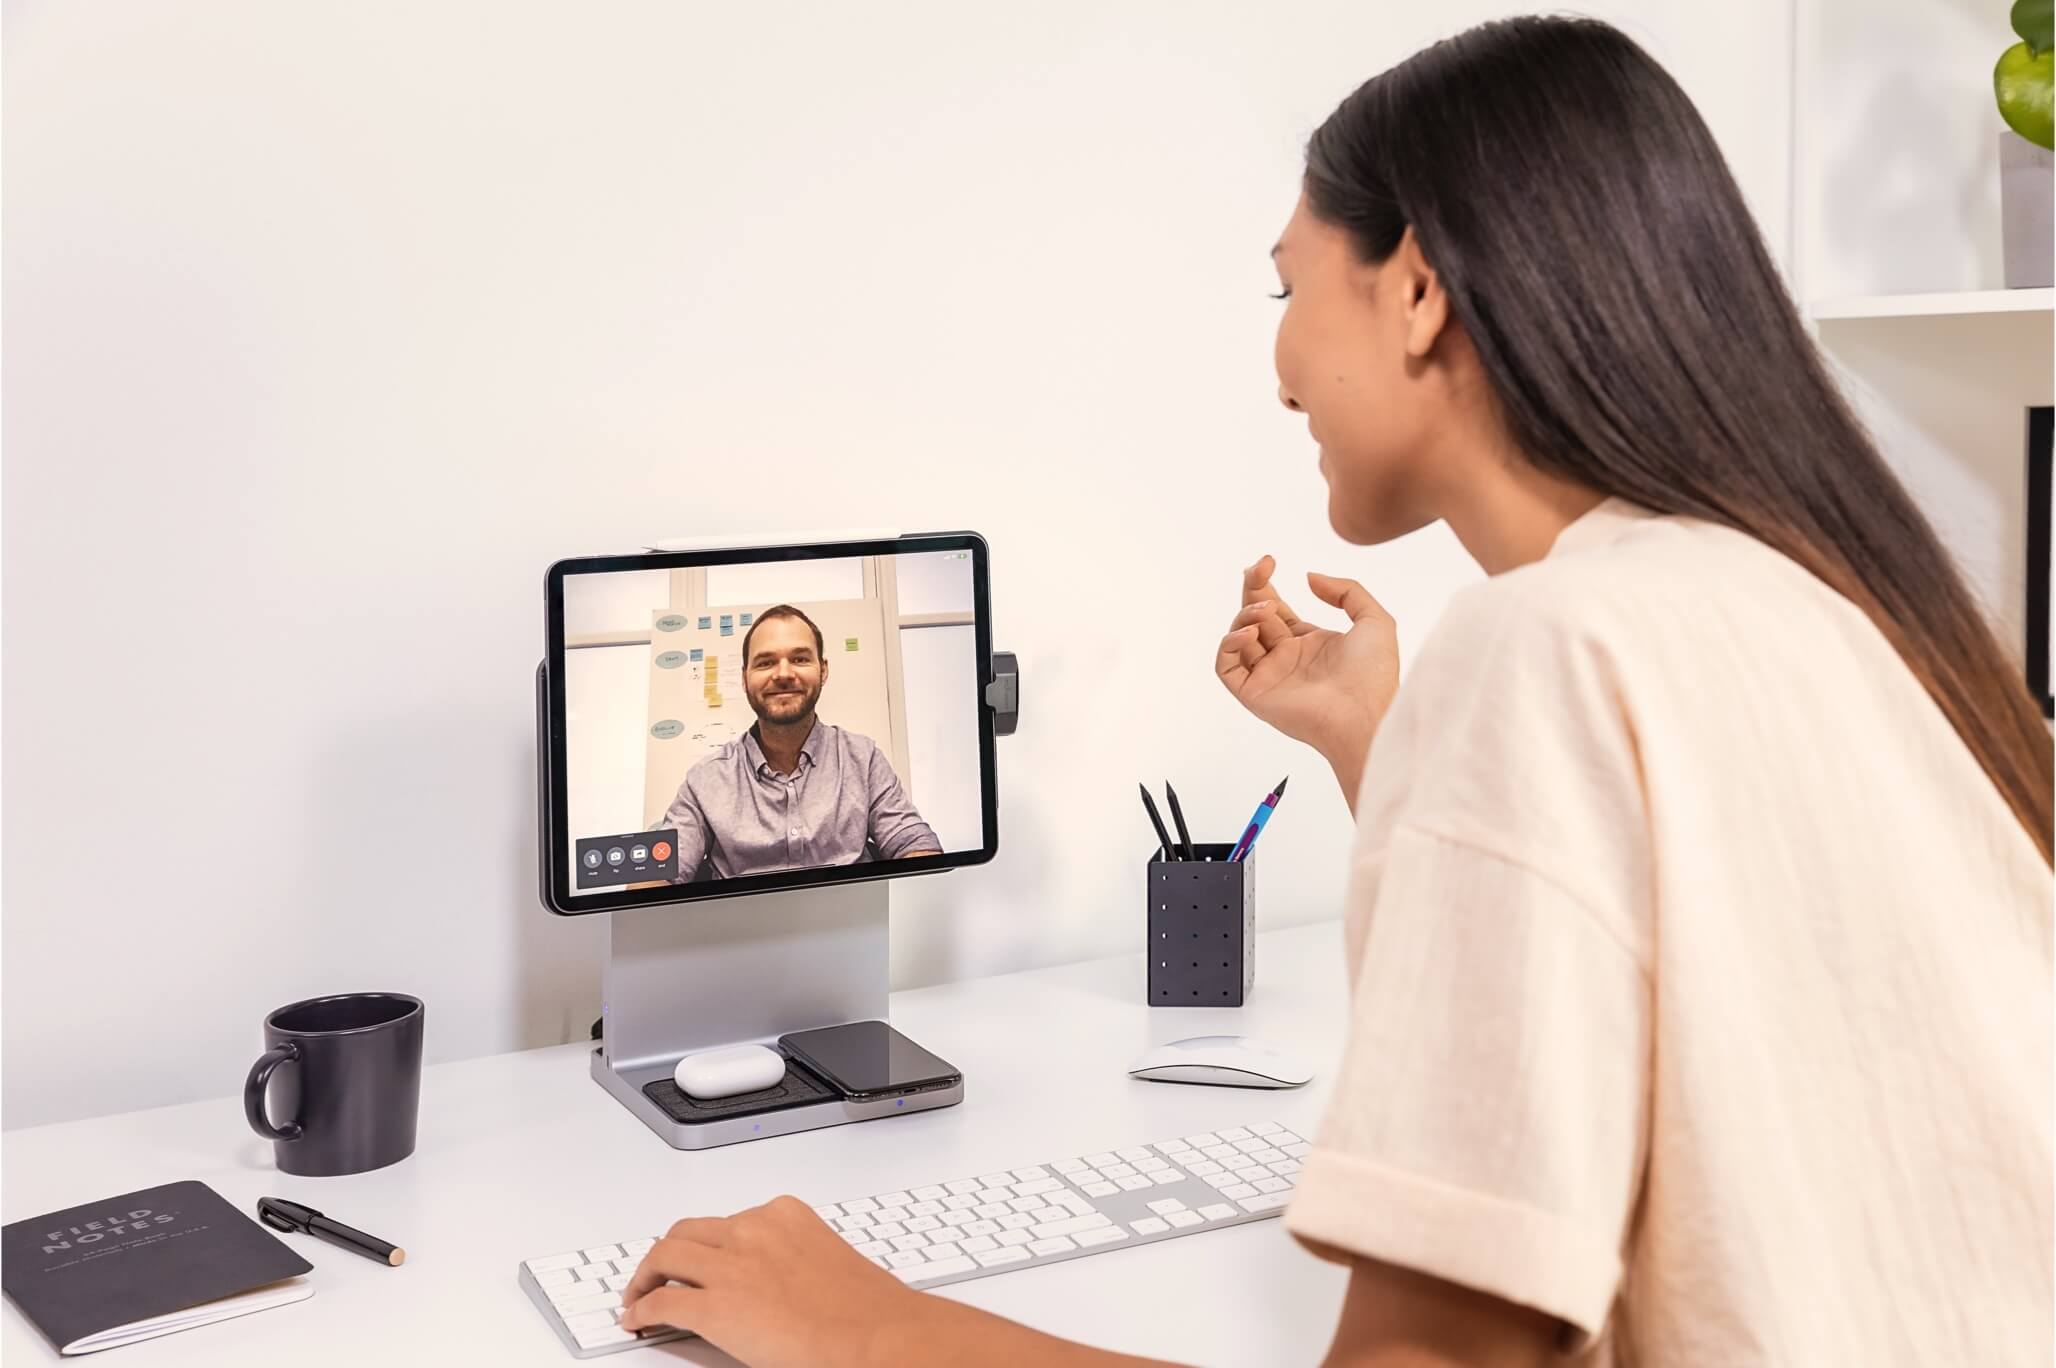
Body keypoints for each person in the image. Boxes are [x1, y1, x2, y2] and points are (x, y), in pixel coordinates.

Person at [615, 16, 2053, 1365]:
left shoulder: (1547, 647)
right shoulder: (1835, 606)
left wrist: (871, 1327)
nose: (1283, 362)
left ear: (1419, 288)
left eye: (1288, 288)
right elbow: (1725, 992)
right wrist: (1385, 747)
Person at [662, 604, 941, 879]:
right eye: (766, 662)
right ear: (745, 678)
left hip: (851, 919)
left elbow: (914, 843)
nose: (783, 674)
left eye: (799, 659)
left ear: (823, 670)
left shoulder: (862, 758)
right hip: (740, 925)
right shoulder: (706, 779)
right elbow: (661, 871)